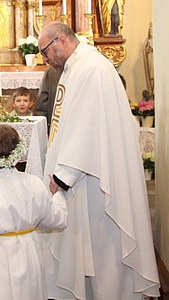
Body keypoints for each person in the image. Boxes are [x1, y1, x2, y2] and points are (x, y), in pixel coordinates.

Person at [38, 21, 160, 299]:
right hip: (87, 168)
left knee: (104, 244)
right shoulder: (76, 67)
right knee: (91, 244)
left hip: (96, 174)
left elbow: (86, 125)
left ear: (60, 40)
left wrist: (63, 175)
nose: (45, 59)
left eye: (45, 51)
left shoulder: (91, 68)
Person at [0, 124, 68, 300]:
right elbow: (56, 220)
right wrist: (59, 195)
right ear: (18, 150)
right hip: (30, 255)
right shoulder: (34, 183)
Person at [33, 66, 62, 132]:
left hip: (55, 125)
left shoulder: (53, 70)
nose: (45, 60)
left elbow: (42, 102)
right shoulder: (52, 71)